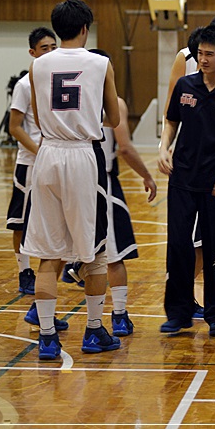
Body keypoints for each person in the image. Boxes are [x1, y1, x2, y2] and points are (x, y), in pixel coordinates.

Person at [20, 0, 121, 359]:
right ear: (85, 29)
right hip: (81, 154)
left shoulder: (37, 65)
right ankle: (93, 331)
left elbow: (36, 111)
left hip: (46, 154)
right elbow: (114, 117)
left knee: (48, 254)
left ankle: (47, 337)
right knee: (93, 252)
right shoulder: (100, 63)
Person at [158, 25, 215, 336]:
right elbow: (171, 121)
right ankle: (178, 313)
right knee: (178, 245)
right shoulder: (185, 85)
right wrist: (164, 148)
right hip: (182, 177)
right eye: (200, 54)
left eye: (209, 54)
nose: (203, 59)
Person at [90, 50, 158, 336]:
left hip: (69, 178)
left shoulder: (73, 100)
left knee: (58, 254)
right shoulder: (112, 102)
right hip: (101, 182)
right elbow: (125, 148)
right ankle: (118, 315)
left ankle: (40, 312)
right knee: (112, 254)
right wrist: (147, 175)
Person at [7, 28, 56, 296]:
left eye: (53, 46)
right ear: (33, 53)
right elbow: (15, 127)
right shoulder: (24, 84)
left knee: (54, 218)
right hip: (30, 162)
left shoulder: (58, 79)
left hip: (56, 160)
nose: (49, 52)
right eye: (44, 48)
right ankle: (24, 270)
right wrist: (40, 151)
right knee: (21, 221)